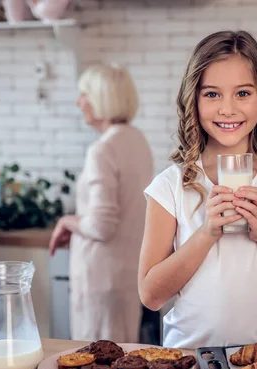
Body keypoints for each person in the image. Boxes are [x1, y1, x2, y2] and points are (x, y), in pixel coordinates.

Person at [138, 30, 257, 349]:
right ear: (194, 102)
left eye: (242, 93)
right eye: (212, 94)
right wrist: (206, 233)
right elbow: (151, 295)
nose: (227, 109)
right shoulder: (171, 186)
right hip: (189, 362)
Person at [49, 64, 154, 343]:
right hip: (128, 272)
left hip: (100, 278)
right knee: (124, 358)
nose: (78, 102)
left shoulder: (102, 149)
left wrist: (66, 221)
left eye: (84, 94)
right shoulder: (137, 140)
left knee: (96, 364)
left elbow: (102, 225)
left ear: (100, 98)